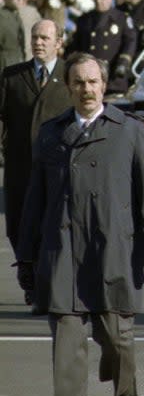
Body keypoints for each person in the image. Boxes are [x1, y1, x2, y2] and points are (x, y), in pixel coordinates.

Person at [14, 52, 144, 396]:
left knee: (116, 335)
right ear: (68, 87)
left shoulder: (130, 130)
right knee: (67, 336)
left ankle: (126, 387)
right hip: (63, 246)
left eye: (93, 82)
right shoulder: (52, 134)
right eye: (79, 82)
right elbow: (36, 198)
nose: (86, 89)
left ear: (105, 85)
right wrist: (28, 255)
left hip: (112, 246)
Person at [0, 19, 73, 249]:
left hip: (57, 167)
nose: (38, 43)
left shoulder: (70, 75)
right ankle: (27, 271)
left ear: (58, 43)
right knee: (20, 226)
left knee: (55, 230)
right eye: (35, 38)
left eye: (44, 38)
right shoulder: (12, 76)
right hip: (20, 167)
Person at [69, 0, 137, 95]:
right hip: (90, 78)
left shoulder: (121, 18)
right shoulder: (85, 19)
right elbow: (77, 46)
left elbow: (130, 42)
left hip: (113, 77)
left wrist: (123, 62)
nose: (98, 1)